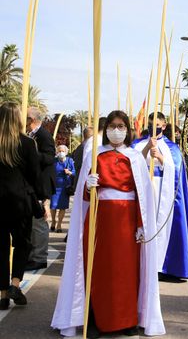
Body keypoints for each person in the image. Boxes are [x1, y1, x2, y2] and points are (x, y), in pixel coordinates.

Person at [52, 110, 164, 337]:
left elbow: (143, 196)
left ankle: (128, 319)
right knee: (100, 270)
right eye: (113, 125)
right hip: (100, 221)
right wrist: (87, 185)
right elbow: (84, 196)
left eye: (121, 126)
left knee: (126, 272)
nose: (116, 130)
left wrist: (142, 225)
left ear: (127, 130)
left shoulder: (134, 157)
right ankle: (95, 317)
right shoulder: (95, 155)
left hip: (127, 223)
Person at [132, 112, 188, 280]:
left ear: (163, 125)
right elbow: (131, 164)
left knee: (162, 226)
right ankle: (140, 263)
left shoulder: (172, 148)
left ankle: (163, 265)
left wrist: (161, 157)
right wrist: (147, 148)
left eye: (156, 123)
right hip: (143, 190)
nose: (152, 126)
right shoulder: (137, 144)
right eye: (149, 123)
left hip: (163, 190)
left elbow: (177, 170)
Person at [0, 103, 40, 310]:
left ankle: (3, 293)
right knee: (22, 244)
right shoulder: (26, 143)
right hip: (20, 200)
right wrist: (41, 198)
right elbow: (35, 174)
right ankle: (15, 283)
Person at [25, 107, 56, 271]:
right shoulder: (32, 135)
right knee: (33, 223)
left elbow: (50, 156)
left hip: (41, 185)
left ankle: (39, 257)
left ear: (31, 119)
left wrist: (31, 154)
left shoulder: (43, 135)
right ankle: (33, 255)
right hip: (34, 185)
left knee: (39, 223)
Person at [50, 145, 75, 233]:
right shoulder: (54, 161)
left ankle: (59, 225)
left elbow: (74, 172)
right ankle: (53, 221)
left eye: (63, 151)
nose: (61, 152)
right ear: (57, 152)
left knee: (62, 207)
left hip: (65, 187)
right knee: (53, 206)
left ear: (66, 152)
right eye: (59, 151)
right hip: (54, 186)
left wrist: (70, 172)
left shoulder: (70, 161)